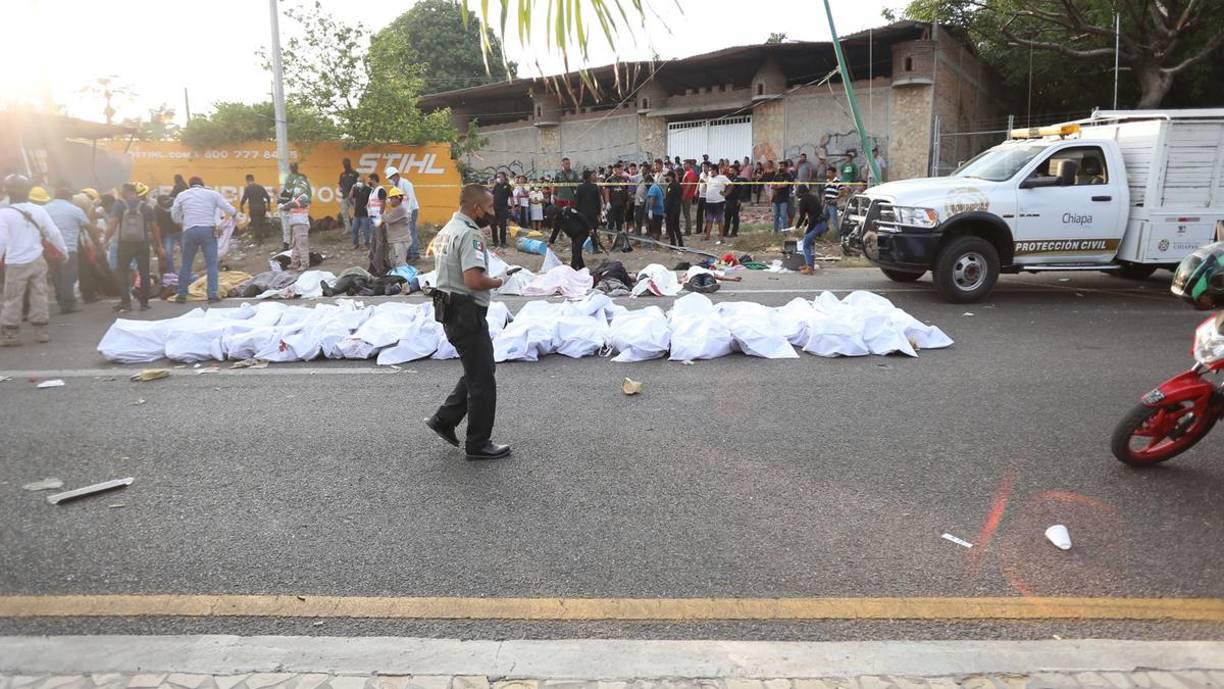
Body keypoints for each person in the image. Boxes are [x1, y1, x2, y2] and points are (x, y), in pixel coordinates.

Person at [424, 184, 514, 461]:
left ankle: (444, 419)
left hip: (450, 310)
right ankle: (478, 443)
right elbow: (474, 280)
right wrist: (500, 280)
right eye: (489, 207)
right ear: (476, 208)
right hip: (466, 312)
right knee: (483, 379)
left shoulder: (448, 229)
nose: (492, 212)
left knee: (477, 370)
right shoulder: (470, 234)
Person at [0, 175, 67, 346]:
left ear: (7, 191)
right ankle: (41, 331)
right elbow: (54, 233)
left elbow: (1, 240)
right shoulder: (39, 210)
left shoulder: (4, 214)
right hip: (37, 260)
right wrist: (64, 251)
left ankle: (11, 335)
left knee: (13, 297)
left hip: (15, 262)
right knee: (39, 294)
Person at [171, 176, 235, 303]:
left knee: (187, 263)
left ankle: (181, 295)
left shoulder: (182, 195)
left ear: (190, 185)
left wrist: (182, 222)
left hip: (189, 231)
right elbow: (231, 210)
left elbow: (174, 214)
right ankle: (212, 295)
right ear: (202, 184)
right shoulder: (212, 194)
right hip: (208, 231)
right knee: (211, 264)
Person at [105, 182, 162, 312]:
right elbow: (154, 227)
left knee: (122, 273)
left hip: (124, 243)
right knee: (144, 272)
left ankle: (126, 303)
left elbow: (112, 224)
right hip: (142, 243)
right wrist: (158, 245)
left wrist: (105, 239)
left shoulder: (119, 205)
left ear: (125, 191)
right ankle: (144, 303)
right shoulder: (146, 207)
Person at [43, 186, 90, 314]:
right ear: (69, 197)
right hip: (69, 249)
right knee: (69, 277)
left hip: (51, 249)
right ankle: (68, 304)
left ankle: (61, 300)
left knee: (56, 275)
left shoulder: (44, 209)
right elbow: (88, 226)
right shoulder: (75, 210)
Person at [384, 166, 420, 260]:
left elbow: (411, 197)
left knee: (411, 231)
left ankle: (415, 254)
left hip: (411, 210)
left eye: (391, 178)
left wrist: (409, 212)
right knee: (404, 232)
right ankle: (408, 254)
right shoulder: (395, 186)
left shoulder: (406, 183)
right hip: (403, 211)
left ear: (396, 175)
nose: (390, 180)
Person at [549, 206, 595, 270]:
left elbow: (581, 217)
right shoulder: (557, 220)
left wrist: (590, 228)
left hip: (582, 232)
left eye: (554, 215)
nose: (554, 217)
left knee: (576, 249)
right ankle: (582, 267)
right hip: (573, 235)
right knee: (576, 250)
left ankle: (573, 268)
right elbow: (555, 231)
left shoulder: (568, 211)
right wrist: (551, 242)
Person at [794, 185, 826, 275]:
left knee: (805, 245)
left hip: (817, 224)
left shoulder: (803, 200)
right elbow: (812, 214)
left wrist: (797, 226)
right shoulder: (813, 197)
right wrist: (806, 225)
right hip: (822, 223)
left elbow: (802, 216)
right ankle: (809, 264)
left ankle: (809, 268)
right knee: (807, 242)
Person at [280, 185, 312, 271]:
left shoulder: (304, 197)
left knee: (301, 244)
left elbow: (293, 205)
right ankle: (294, 263)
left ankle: (305, 264)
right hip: (296, 224)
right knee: (296, 245)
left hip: (301, 224)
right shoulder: (296, 198)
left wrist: (284, 206)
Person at [281, 163, 311, 250]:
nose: (293, 169)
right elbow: (286, 191)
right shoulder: (289, 178)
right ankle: (286, 244)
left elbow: (307, 189)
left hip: (300, 202)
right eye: (292, 167)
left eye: (294, 167)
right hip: (291, 203)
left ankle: (295, 245)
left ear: (297, 168)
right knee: (287, 226)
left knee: (297, 225)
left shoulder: (301, 177)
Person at [382, 186, 411, 268]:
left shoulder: (400, 209)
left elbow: (388, 219)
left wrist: (380, 212)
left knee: (400, 264)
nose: (390, 201)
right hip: (395, 240)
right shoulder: (396, 209)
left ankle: (407, 278)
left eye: (392, 198)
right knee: (394, 262)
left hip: (400, 240)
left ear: (398, 199)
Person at [575, 169, 604, 251]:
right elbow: (598, 201)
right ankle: (595, 248)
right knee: (593, 230)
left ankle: (579, 247)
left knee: (582, 231)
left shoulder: (579, 188)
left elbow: (577, 202)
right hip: (593, 212)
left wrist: (577, 213)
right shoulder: (595, 187)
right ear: (590, 177)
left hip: (582, 213)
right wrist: (599, 213)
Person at [153, 193, 181, 275]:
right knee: (168, 254)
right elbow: (156, 225)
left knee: (187, 252)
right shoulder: (157, 209)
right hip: (168, 233)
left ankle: (187, 272)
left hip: (180, 231)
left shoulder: (176, 204)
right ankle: (171, 274)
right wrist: (159, 244)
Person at [239, 174, 271, 244]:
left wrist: (241, 207)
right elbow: (268, 197)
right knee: (261, 222)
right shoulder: (260, 187)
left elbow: (244, 198)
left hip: (254, 209)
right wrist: (268, 207)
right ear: (253, 179)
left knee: (255, 224)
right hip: (262, 208)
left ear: (247, 180)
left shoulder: (248, 188)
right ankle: (262, 237)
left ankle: (259, 240)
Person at [703, 163, 731, 243]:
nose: (709, 172)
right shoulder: (709, 178)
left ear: (715, 170)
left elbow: (731, 185)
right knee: (709, 220)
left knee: (719, 220)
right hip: (709, 202)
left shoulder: (722, 177)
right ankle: (707, 236)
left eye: (710, 170)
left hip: (718, 202)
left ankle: (721, 237)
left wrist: (726, 193)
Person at [771, 160, 794, 233]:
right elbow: (772, 185)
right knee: (775, 216)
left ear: (786, 167)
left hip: (784, 199)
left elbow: (785, 185)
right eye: (779, 166)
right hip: (775, 199)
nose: (780, 167)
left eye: (782, 166)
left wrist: (776, 186)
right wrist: (778, 186)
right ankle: (775, 231)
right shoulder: (776, 175)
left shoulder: (788, 175)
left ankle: (785, 232)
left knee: (784, 216)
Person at [491, 171, 512, 248]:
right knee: (493, 225)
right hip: (494, 209)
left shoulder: (507, 186)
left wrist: (512, 207)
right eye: (498, 177)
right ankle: (495, 242)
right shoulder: (495, 186)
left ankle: (503, 242)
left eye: (500, 176)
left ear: (504, 177)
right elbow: (492, 196)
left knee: (503, 226)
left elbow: (511, 197)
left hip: (503, 208)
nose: (499, 178)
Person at [349, 177, 372, 248]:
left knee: (366, 230)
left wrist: (368, 205)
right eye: (358, 181)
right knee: (354, 229)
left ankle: (367, 243)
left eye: (360, 181)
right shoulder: (355, 189)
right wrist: (352, 188)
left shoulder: (368, 190)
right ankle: (355, 244)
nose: (359, 182)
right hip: (357, 214)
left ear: (364, 182)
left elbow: (372, 199)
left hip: (365, 214)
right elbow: (350, 197)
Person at [338, 158, 359, 234]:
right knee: (344, 212)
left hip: (353, 196)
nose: (346, 166)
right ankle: (348, 228)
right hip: (344, 196)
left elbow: (358, 184)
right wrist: (340, 188)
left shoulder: (355, 173)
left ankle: (356, 228)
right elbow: (340, 184)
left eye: (347, 164)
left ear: (349, 164)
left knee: (356, 212)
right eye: (344, 164)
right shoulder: (342, 174)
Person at [663, 170, 683, 247]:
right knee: (676, 227)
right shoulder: (678, 185)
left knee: (670, 227)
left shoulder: (671, 186)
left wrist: (665, 210)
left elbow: (669, 200)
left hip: (671, 210)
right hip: (676, 209)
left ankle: (673, 243)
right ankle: (680, 243)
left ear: (670, 177)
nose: (666, 178)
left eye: (667, 176)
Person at [607, 163, 628, 235]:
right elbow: (606, 191)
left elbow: (626, 191)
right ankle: (609, 237)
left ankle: (618, 238)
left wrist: (626, 201)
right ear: (614, 170)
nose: (621, 171)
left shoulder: (624, 179)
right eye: (619, 169)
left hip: (621, 205)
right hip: (612, 205)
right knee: (611, 222)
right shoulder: (609, 179)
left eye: (622, 169)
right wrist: (607, 202)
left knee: (620, 223)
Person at [725, 163, 745, 238]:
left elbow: (742, 190)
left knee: (735, 217)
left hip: (735, 200)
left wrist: (739, 199)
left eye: (732, 171)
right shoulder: (728, 179)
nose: (730, 172)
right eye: (729, 171)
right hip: (728, 200)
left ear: (736, 171)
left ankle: (734, 232)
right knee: (727, 217)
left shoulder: (739, 179)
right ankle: (725, 232)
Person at [680, 161, 698, 235]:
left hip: (687, 196)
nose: (683, 166)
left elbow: (689, 186)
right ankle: (687, 230)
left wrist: (684, 195)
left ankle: (688, 231)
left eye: (684, 164)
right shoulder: (687, 172)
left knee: (686, 214)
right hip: (686, 195)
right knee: (685, 213)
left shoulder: (690, 173)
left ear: (689, 164)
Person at [644, 174, 664, 240]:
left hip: (656, 211)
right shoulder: (656, 186)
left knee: (655, 228)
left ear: (649, 181)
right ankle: (656, 242)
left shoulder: (653, 187)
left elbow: (652, 199)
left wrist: (650, 210)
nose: (645, 183)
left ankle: (656, 242)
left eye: (645, 181)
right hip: (658, 211)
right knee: (656, 228)